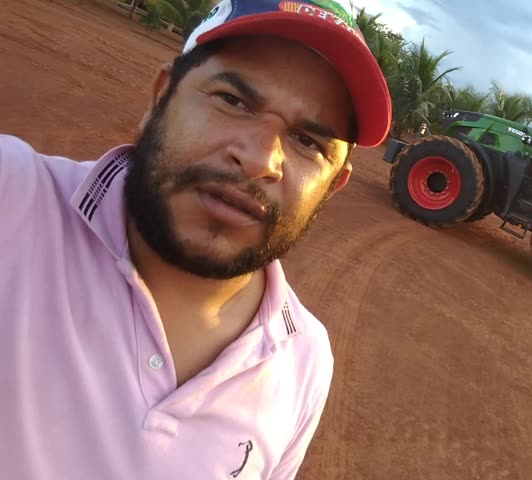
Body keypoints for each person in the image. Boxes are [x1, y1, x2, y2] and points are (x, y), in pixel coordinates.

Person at [0, 0, 391, 478]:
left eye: (308, 143)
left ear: (331, 187)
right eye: (233, 101)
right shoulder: (13, 196)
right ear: (159, 98)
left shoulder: (305, 362)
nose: (260, 159)